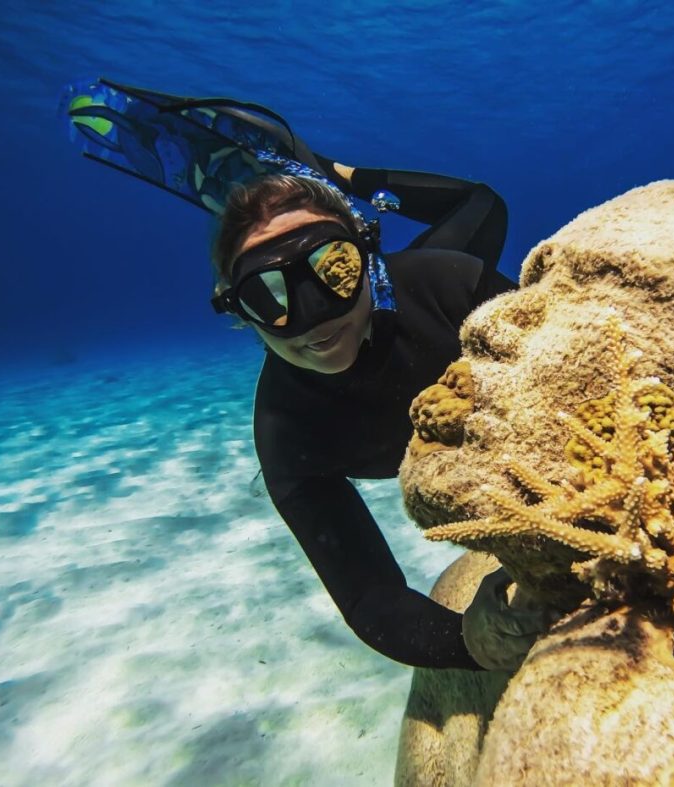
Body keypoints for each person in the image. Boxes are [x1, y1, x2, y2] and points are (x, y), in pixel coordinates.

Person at [63, 79, 549, 670]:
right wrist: (482, 644)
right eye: (270, 297)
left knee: (481, 205)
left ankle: (332, 175)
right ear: (237, 312)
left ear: (366, 259)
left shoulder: (449, 285)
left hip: (420, 284)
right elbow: (374, 602)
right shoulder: (287, 429)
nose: (315, 321)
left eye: (333, 271)